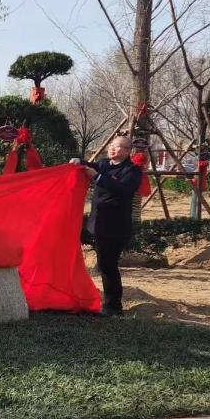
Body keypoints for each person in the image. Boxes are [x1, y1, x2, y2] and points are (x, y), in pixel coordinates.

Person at [70, 135, 142, 316]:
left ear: (127, 151)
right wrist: (79, 161)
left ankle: (113, 306)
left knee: (108, 265)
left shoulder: (132, 171)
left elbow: (123, 189)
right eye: (111, 145)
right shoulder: (104, 164)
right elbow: (90, 166)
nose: (112, 149)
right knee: (105, 264)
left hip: (116, 226)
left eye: (118, 147)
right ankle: (111, 304)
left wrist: (98, 178)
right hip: (98, 223)